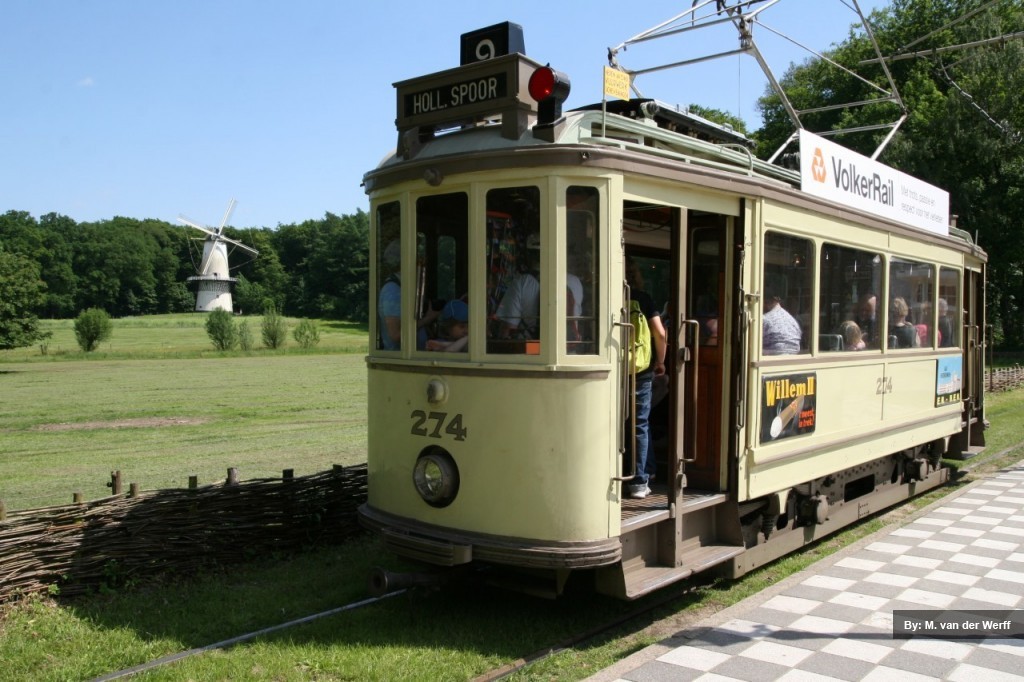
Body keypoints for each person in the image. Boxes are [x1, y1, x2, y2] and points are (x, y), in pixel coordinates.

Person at [625, 257, 667, 500]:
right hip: (641, 370)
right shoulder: (643, 299)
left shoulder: (603, 297)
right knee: (640, 424)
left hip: (614, 371)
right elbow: (660, 334)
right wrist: (660, 362)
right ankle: (639, 482)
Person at [495, 233, 583, 339]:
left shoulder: (522, 282)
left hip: (535, 352)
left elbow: (507, 328)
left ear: (529, 255)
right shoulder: (575, 282)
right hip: (568, 352)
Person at [378, 240, 439, 351]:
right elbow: (396, 335)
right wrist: (428, 319)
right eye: (418, 259)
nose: (422, 263)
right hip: (398, 359)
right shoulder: (393, 291)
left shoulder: (404, 287)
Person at [762, 289, 801, 355]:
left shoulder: (765, 318)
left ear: (767, 302)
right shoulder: (792, 320)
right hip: (794, 356)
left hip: (772, 356)